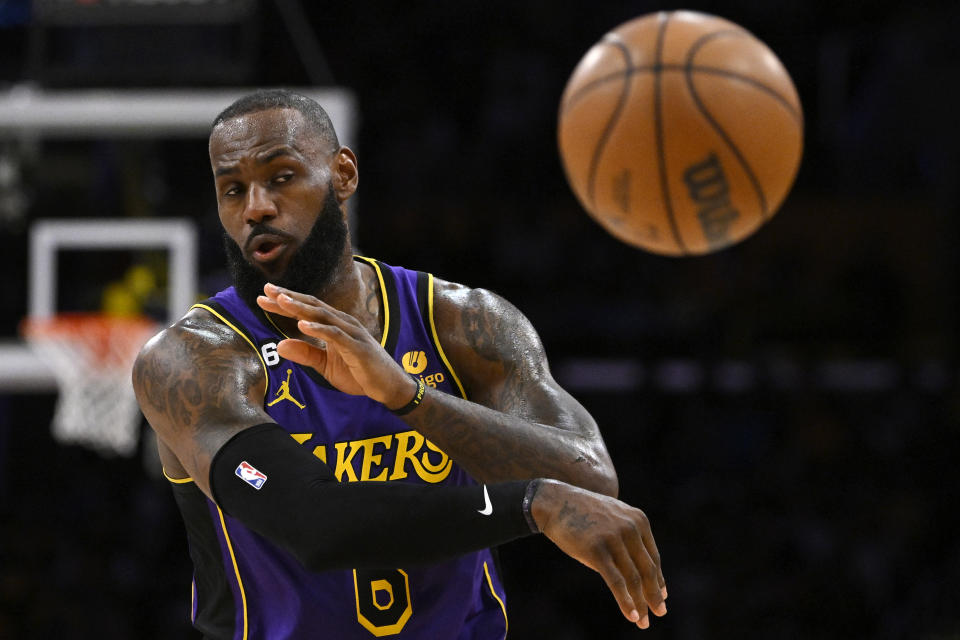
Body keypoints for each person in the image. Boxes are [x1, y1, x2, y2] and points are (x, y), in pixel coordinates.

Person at [132, 89, 667, 640]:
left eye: (282, 177)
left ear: (342, 174)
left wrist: (410, 398)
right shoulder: (193, 357)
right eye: (232, 189)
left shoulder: (459, 322)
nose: (256, 208)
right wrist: (533, 503)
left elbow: (590, 480)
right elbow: (317, 527)